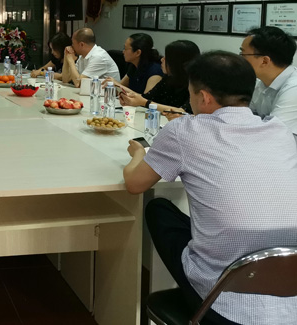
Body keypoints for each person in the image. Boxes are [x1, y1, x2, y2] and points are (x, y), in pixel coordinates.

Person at [123, 51, 297, 324]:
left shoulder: (183, 131)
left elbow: (135, 184)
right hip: (290, 296)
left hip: (224, 304)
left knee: (159, 209)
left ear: (204, 97)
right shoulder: (280, 130)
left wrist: (137, 155)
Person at [240, 25, 297, 137]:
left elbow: (273, 132)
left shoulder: (293, 88)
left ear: (265, 61)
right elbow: (246, 115)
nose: (240, 59)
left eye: (243, 54)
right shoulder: (261, 82)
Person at [119, 40, 200, 114]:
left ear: (177, 62)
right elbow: (147, 97)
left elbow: (183, 112)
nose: (162, 60)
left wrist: (145, 103)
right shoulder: (168, 78)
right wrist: (129, 98)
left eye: (166, 58)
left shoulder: (196, 85)